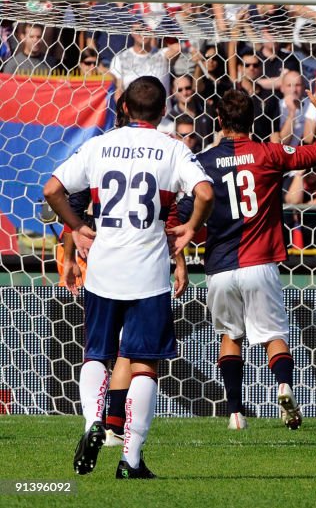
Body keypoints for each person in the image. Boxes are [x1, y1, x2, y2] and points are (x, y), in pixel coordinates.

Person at [43, 75, 213, 479]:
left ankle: (92, 422)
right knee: (144, 363)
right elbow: (206, 193)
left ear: (123, 107)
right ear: (164, 110)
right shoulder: (173, 148)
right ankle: (131, 460)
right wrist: (191, 228)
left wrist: (77, 227)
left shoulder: (99, 144)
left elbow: (51, 190)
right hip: (148, 270)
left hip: (104, 265)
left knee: (96, 353)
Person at [181, 77, 316, 430]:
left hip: (219, 266)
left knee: (230, 336)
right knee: (273, 335)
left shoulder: (201, 163)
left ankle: (235, 413)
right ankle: (283, 386)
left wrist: (180, 251)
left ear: (219, 120)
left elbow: (181, 212)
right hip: (260, 262)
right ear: (252, 119)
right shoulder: (269, 153)